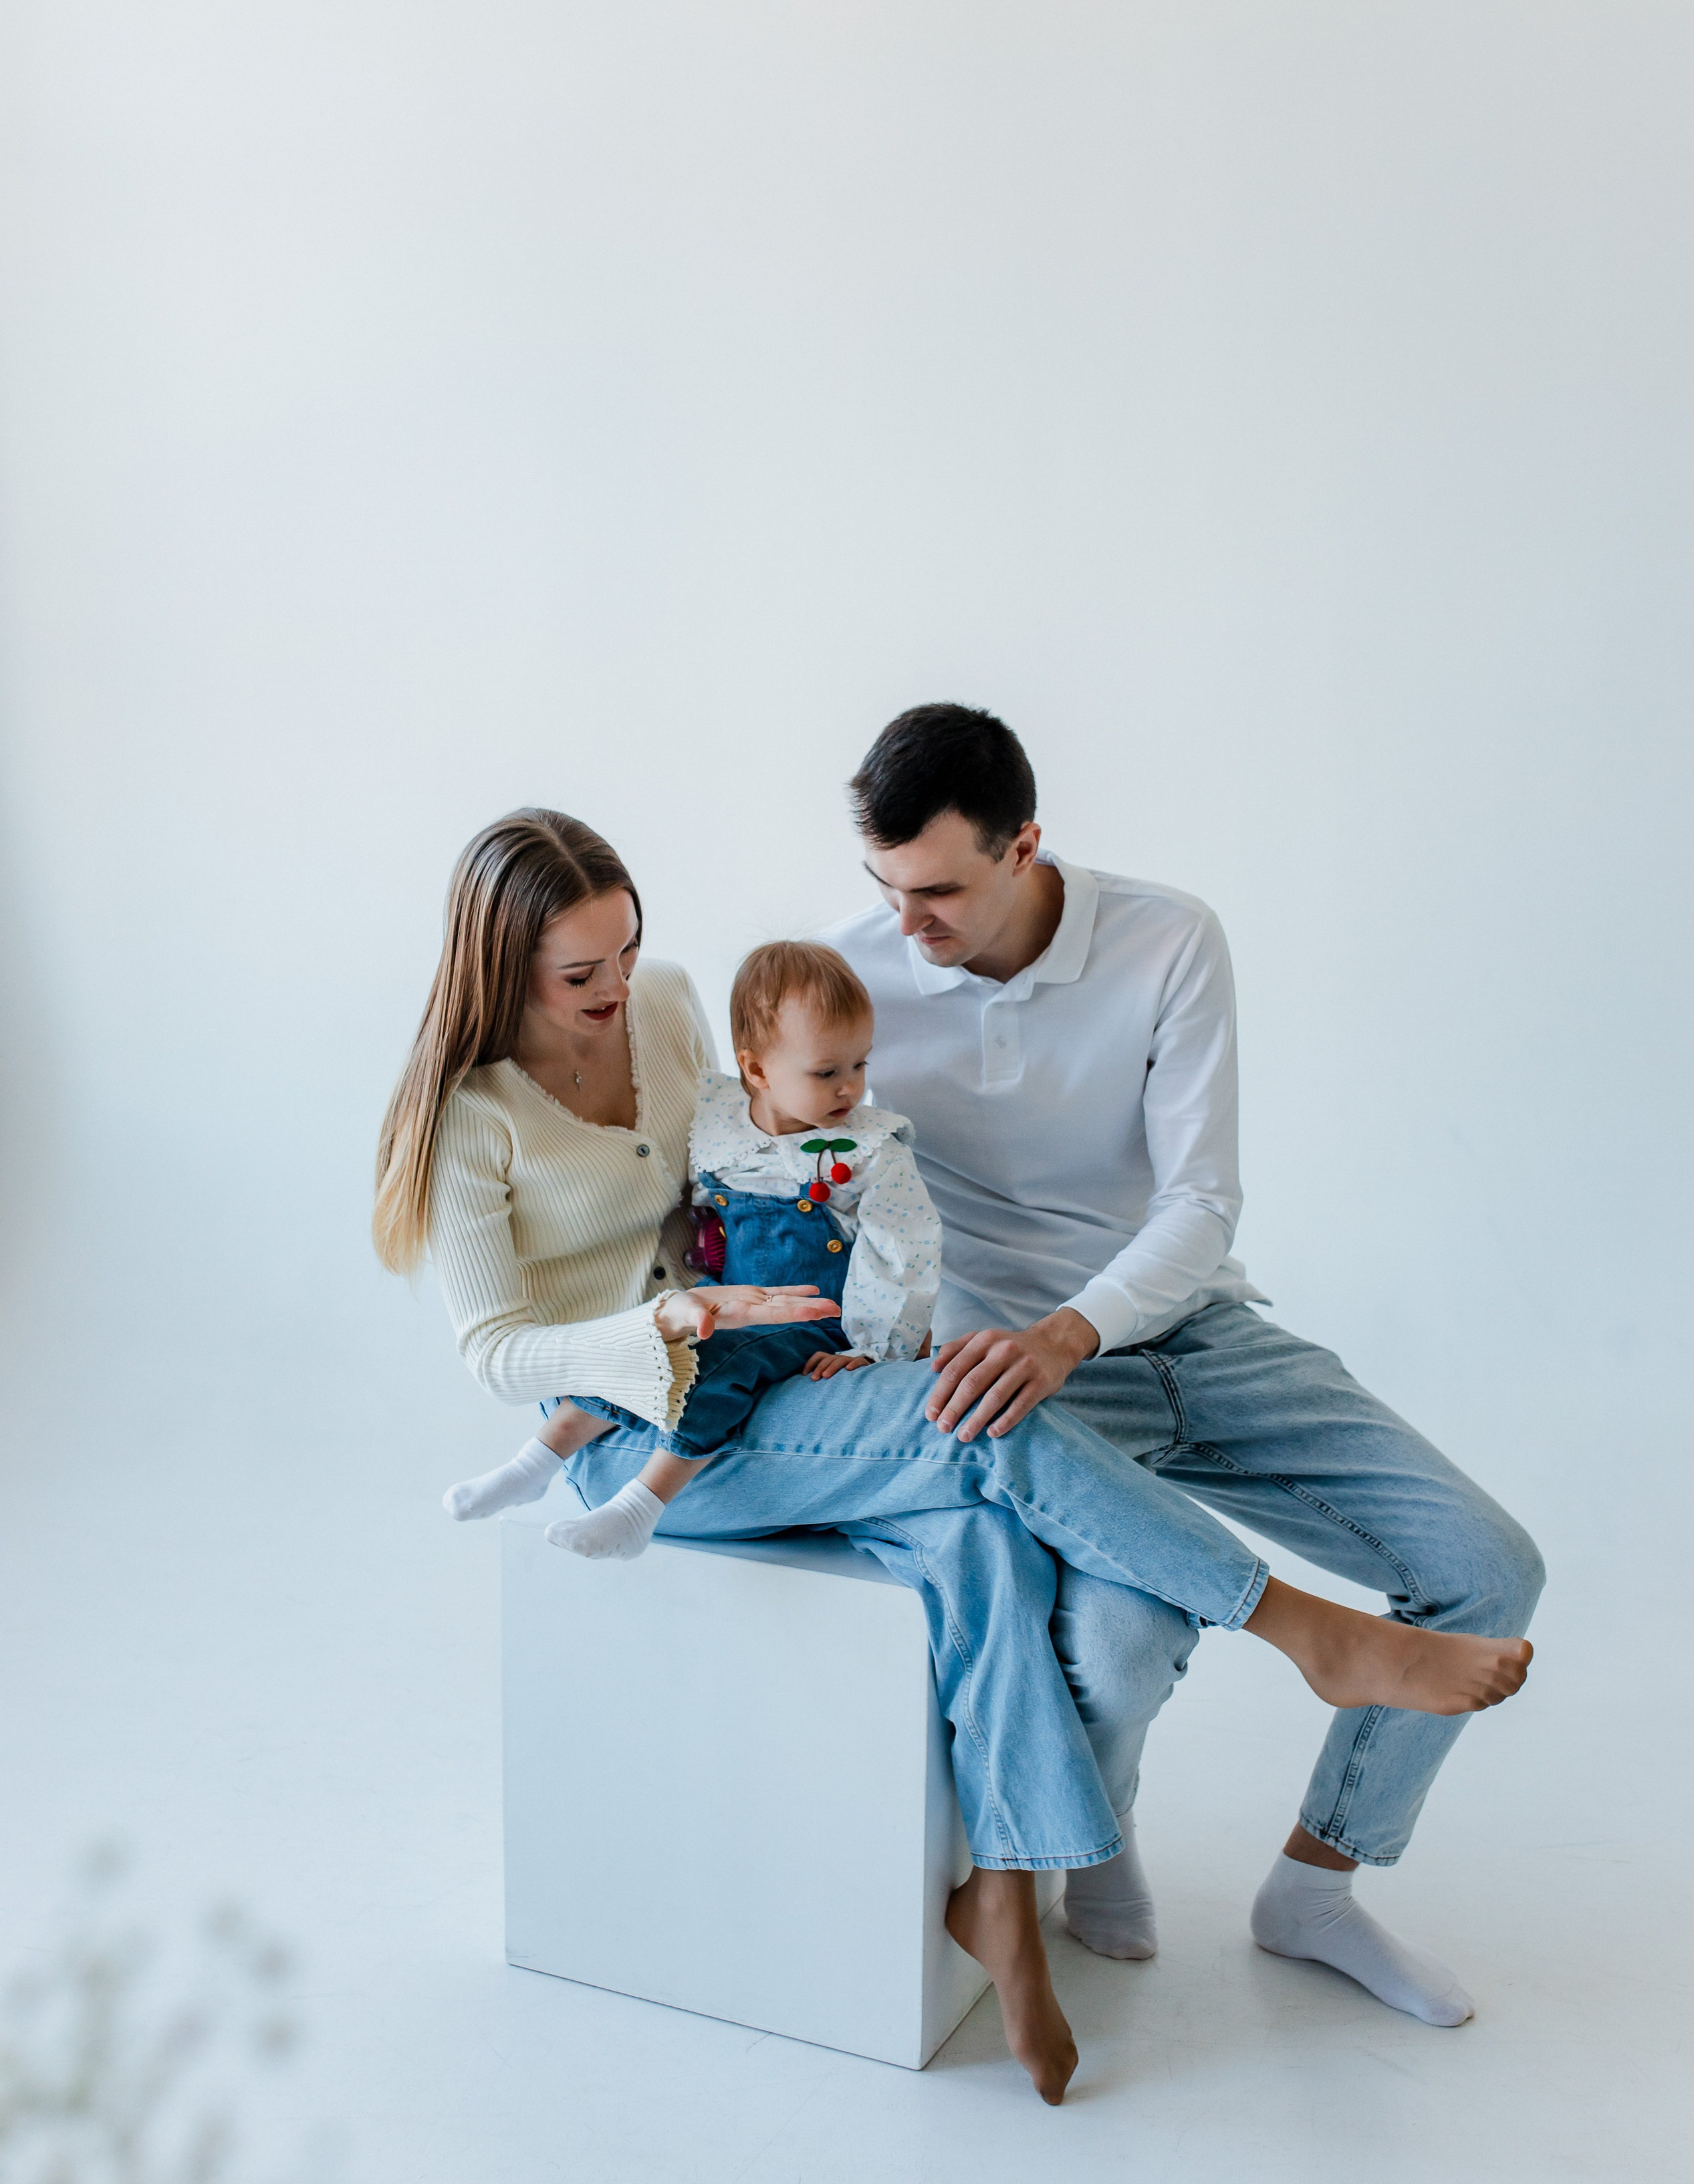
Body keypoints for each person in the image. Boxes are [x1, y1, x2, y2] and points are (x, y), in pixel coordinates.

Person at [379, 808, 1531, 2097]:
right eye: (577, 974)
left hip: (779, 1373)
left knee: (984, 1541)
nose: (614, 991)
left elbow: (744, 1162)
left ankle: (1005, 1884)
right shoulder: (471, 1119)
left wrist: (831, 1301)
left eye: (625, 949)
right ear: (499, 967)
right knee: (986, 1424)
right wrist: (669, 1322)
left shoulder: (666, 1002)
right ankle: (1309, 1631)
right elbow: (494, 1353)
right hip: (638, 1425)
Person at [822, 702, 1547, 2025]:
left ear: (1023, 844)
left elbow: (1199, 1203)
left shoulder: (1164, 938)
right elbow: (789, 1165)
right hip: (1004, 1371)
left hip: (1183, 1328)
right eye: (883, 888)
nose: (906, 922)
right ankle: (1095, 1843)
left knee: (1486, 1571)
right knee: (1123, 1638)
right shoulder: (849, 974)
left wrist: (1073, 1328)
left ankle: (1314, 1892)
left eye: (936, 890)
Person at [509, 937, 942, 1562]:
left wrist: (874, 1348)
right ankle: (536, 1460)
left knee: (717, 1362)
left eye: (860, 1065)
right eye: (827, 1072)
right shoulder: (718, 1125)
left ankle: (641, 1506)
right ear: (758, 1070)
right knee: (648, 1343)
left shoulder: (869, 1149)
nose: (851, 1089)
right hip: (741, 1304)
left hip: (815, 1321)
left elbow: (904, 1251)